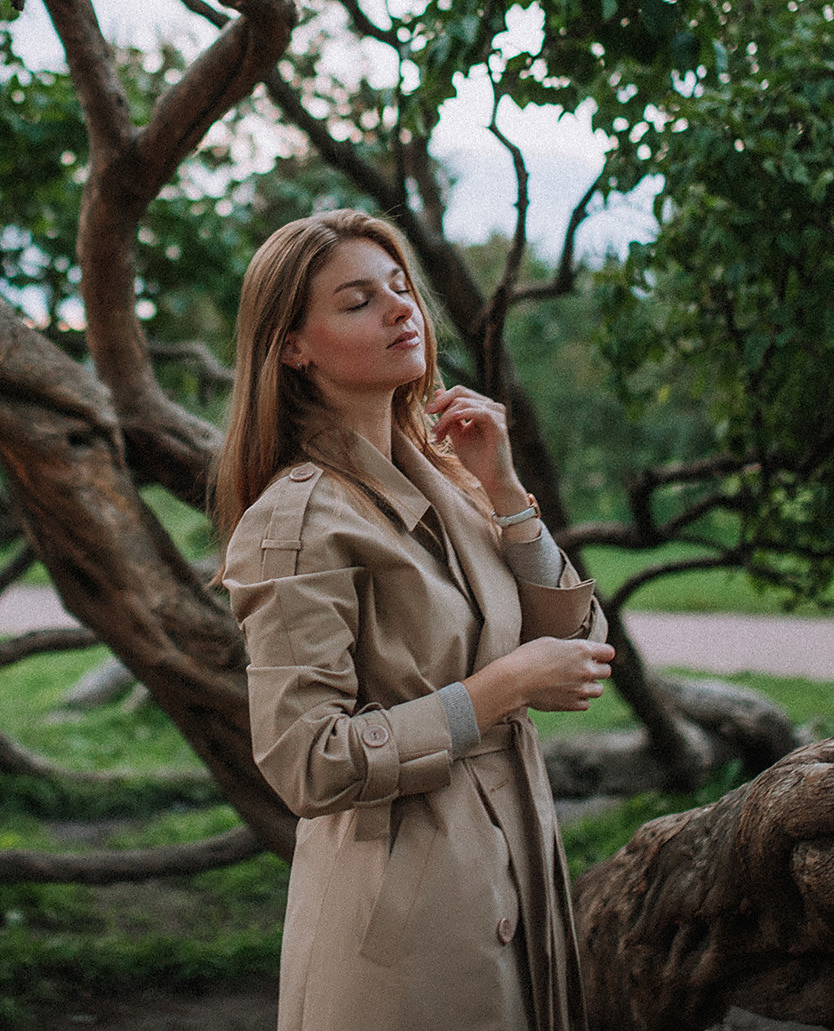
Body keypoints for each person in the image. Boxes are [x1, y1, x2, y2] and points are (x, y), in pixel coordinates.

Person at [215, 209, 615, 1031]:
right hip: (405, 933)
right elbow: (308, 762)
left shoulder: (451, 478)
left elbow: (579, 650)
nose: (403, 310)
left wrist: (506, 492)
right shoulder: (296, 523)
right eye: (359, 301)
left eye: (402, 289)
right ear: (293, 346)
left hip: (520, 877)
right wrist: (498, 689)